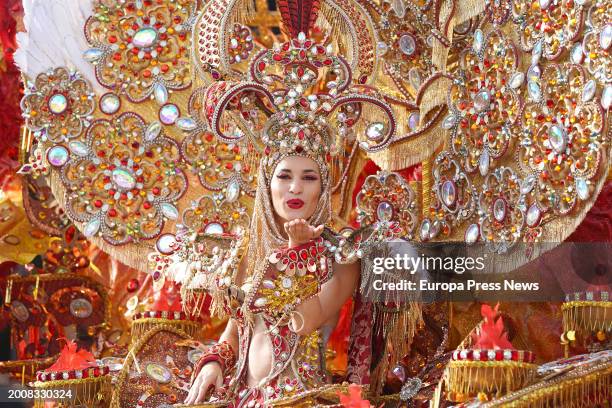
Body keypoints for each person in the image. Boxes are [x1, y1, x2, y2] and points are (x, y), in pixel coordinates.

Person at [183, 153, 360, 406]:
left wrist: (298, 250)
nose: (295, 188)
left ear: (322, 189)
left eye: (309, 178)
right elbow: (234, 333)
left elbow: (306, 322)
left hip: (299, 398)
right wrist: (214, 363)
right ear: (268, 184)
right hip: (241, 398)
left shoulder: (341, 258)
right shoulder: (249, 251)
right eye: (284, 176)